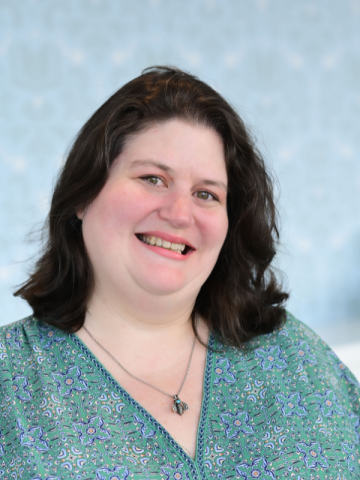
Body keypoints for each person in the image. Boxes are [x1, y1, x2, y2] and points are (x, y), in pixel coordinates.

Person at [0, 66, 359, 480]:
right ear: (83, 195)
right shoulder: (12, 380)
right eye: (152, 178)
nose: (178, 213)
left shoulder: (295, 356)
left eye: (206, 194)